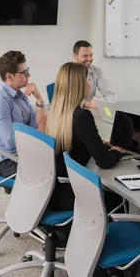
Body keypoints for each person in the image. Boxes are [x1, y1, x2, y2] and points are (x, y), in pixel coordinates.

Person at [46, 62, 123, 212]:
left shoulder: (56, 112)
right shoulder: (82, 116)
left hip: (55, 192)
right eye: (87, 80)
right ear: (78, 85)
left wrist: (97, 144)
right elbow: (104, 162)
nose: (89, 84)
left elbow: (73, 141)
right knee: (118, 197)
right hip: (74, 194)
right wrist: (116, 151)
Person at [0, 51, 47, 177]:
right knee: (47, 173)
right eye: (24, 72)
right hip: (9, 160)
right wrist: (38, 132)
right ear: (10, 77)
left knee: (58, 160)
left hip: (25, 152)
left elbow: (38, 124)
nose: (29, 75)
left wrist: (39, 99)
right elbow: (11, 141)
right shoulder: (0, 100)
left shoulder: (20, 95)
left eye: (27, 70)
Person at [72, 40, 115, 109]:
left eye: (91, 55)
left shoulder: (96, 71)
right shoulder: (67, 72)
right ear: (75, 56)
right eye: (85, 56)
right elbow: (66, 99)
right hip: (72, 113)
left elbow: (109, 94)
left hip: (91, 112)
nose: (89, 59)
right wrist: (87, 104)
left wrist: (103, 102)